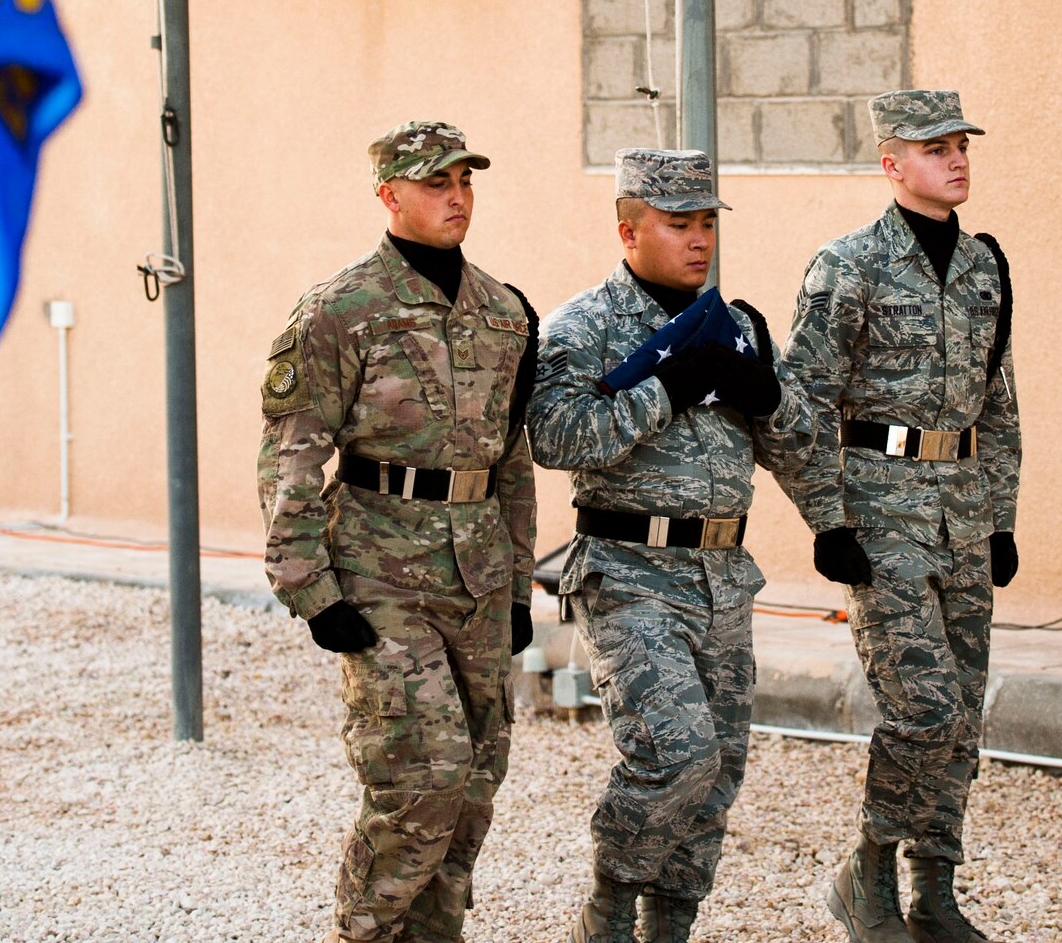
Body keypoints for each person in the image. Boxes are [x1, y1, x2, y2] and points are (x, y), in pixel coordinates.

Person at [257, 120, 538, 943]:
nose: (456, 197)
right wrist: (309, 588)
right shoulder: (340, 312)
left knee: (477, 778)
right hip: (380, 574)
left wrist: (519, 584)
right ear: (389, 195)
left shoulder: (506, 311)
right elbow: (293, 453)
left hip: (478, 576)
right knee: (422, 776)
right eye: (435, 183)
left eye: (464, 181)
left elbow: (511, 461)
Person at [527, 148, 816, 943]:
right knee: (675, 751)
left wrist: (769, 395)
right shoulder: (583, 324)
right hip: (627, 571)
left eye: (707, 224)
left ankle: (671, 926)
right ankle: (609, 910)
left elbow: (798, 450)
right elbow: (556, 436)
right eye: (678, 223)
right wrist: (669, 384)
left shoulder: (738, 328)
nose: (699, 240)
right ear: (628, 229)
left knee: (716, 769)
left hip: (723, 575)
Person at [777, 90, 1019, 943]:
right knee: (922, 708)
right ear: (891, 164)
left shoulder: (986, 265)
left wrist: (1003, 517)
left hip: (962, 507)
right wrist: (825, 518)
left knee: (964, 715)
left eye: (961, 144)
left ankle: (936, 892)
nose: (955, 159)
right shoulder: (847, 265)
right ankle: (867, 868)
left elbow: (999, 402)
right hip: (880, 512)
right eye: (933, 147)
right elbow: (801, 402)